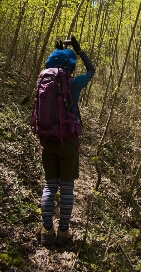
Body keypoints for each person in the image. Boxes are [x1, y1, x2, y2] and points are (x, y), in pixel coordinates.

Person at [40, 35, 95, 246]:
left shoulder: (43, 79)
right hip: (68, 142)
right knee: (67, 188)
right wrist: (79, 51)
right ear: (70, 66)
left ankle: (46, 231)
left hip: (47, 139)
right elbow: (91, 71)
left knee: (50, 185)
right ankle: (63, 232)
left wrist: (56, 52)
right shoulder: (74, 83)